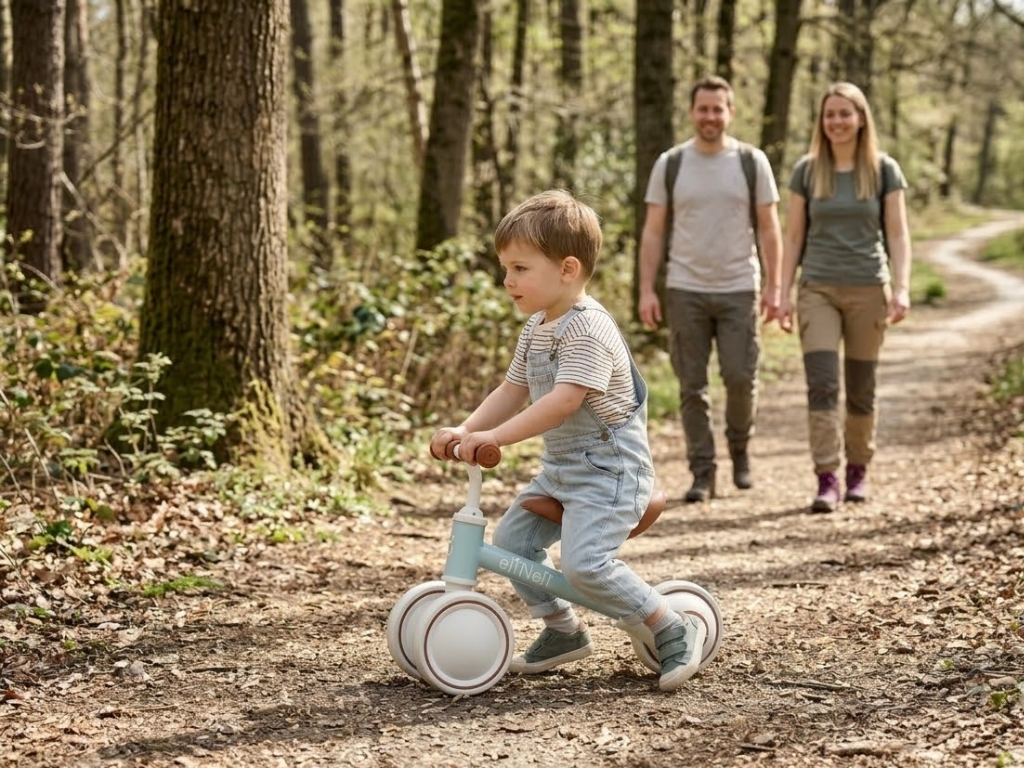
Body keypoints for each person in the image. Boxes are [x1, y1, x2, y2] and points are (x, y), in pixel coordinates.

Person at [429, 189, 706, 692]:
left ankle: (668, 623)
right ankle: (562, 631)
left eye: (519, 268)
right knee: (513, 541)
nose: (507, 281)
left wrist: (494, 437)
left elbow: (562, 402)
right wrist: (467, 429)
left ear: (568, 269)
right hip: (561, 472)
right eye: (506, 268)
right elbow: (512, 390)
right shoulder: (538, 327)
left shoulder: (588, 330)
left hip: (610, 475)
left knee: (585, 565)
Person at [638, 75, 783, 503]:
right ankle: (702, 471)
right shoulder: (672, 164)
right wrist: (647, 289)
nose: (710, 117)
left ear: (730, 112)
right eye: (703, 109)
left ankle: (739, 447)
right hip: (685, 288)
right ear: (691, 112)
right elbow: (652, 231)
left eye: (718, 109)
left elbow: (771, 228)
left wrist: (775, 287)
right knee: (691, 387)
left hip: (740, 286)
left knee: (740, 377)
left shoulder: (751, 162)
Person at [777, 82, 912, 513]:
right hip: (817, 287)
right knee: (822, 384)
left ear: (860, 118)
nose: (836, 121)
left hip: (869, 287)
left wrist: (903, 286)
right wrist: (782, 293)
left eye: (845, 113)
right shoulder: (807, 170)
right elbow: (793, 235)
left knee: (860, 388)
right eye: (830, 114)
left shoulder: (884, 169)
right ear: (822, 121)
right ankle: (827, 477)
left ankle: (858, 469)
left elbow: (897, 233)